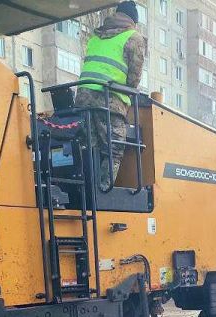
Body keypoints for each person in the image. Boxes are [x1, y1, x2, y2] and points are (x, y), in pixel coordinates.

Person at [75, 1, 146, 191]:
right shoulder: (133, 37)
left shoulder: (96, 36)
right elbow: (134, 78)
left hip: (83, 99)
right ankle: (103, 191)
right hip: (108, 100)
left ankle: (86, 190)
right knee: (114, 148)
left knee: (89, 147)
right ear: (133, 21)